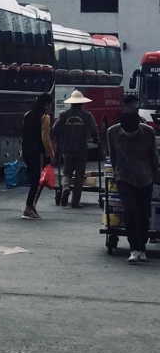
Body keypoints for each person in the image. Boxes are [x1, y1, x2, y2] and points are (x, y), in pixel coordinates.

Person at [107, 100, 160, 263]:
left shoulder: (148, 133)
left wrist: (157, 178)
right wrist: (117, 172)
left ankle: (142, 247)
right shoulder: (112, 132)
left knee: (143, 214)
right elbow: (112, 154)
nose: (130, 133)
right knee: (130, 211)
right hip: (124, 177)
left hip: (145, 178)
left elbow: (153, 156)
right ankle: (134, 249)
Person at [53, 89, 99, 208]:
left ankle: (66, 188)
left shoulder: (63, 115)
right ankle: (75, 202)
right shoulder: (87, 115)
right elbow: (94, 130)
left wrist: (59, 138)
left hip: (67, 147)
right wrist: (96, 140)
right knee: (79, 176)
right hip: (81, 149)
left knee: (67, 172)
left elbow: (55, 129)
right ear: (82, 103)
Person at [20, 92, 55, 220]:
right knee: (37, 180)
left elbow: (24, 135)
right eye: (49, 104)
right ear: (46, 104)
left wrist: (21, 152)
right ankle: (29, 208)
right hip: (38, 152)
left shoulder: (27, 115)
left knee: (34, 179)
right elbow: (45, 138)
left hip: (26, 150)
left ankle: (32, 207)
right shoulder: (45, 117)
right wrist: (51, 153)